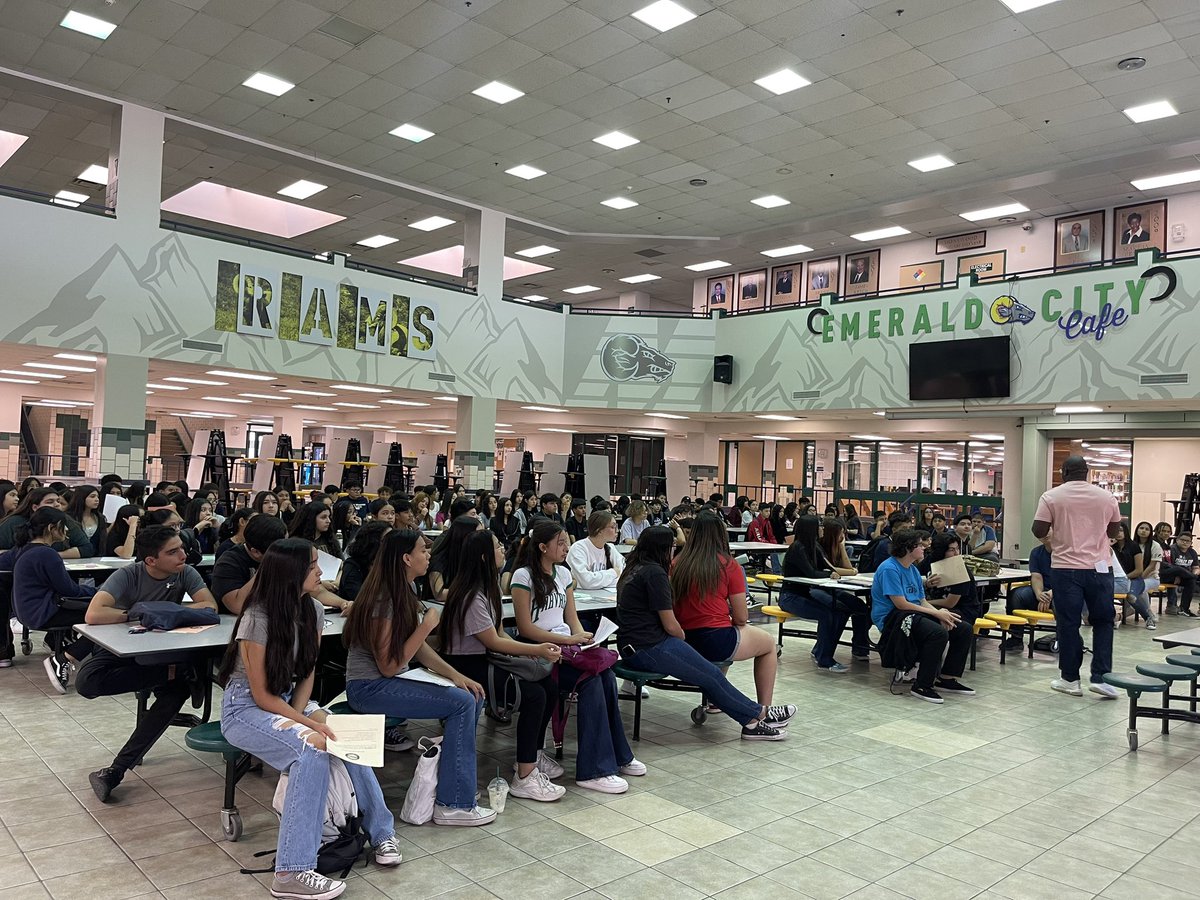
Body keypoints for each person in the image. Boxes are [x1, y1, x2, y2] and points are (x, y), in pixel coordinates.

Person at [216, 539, 401, 900]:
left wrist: (308, 715)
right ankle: (292, 871)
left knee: (344, 734)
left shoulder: (312, 610)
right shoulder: (257, 618)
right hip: (245, 709)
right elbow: (260, 696)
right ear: (290, 574)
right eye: (313, 565)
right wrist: (309, 725)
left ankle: (382, 834)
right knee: (311, 750)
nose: (320, 571)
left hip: (287, 700)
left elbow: (307, 674)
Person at [343, 529, 495, 826]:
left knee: (470, 695)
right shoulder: (384, 598)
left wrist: (455, 675)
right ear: (405, 557)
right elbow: (388, 665)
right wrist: (425, 626)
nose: (428, 555)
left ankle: (449, 787)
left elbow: (419, 650)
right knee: (461, 704)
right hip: (369, 687)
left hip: (391, 679)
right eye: (423, 550)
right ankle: (454, 803)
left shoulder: (405, 589)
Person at [77, 525, 217, 802]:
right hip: (126, 648)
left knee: (175, 694)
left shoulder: (185, 573)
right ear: (151, 560)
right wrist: (136, 614)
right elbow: (94, 613)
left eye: (182, 548)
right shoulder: (128, 575)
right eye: (173, 551)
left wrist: (164, 612)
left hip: (166, 650)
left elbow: (209, 606)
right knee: (86, 682)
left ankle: (116, 770)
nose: (183, 555)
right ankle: (175, 673)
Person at [617, 525, 793, 740]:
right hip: (650, 646)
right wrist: (681, 640)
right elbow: (671, 624)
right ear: (663, 548)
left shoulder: (634, 569)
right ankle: (757, 715)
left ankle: (754, 718)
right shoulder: (655, 573)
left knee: (709, 675)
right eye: (672, 546)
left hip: (634, 644)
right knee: (710, 675)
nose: (675, 550)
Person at [512, 520, 643, 794]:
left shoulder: (563, 574)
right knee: (591, 681)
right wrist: (567, 641)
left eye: (566, 541)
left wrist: (585, 639)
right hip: (540, 654)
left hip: (566, 649)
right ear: (542, 547)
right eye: (560, 543)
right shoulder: (523, 577)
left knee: (606, 675)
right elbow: (525, 628)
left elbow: (572, 619)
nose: (566, 547)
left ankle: (619, 756)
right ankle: (594, 770)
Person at [440, 530, 566, 802]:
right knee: (534, 696)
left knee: (549, 686)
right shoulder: (471, 594)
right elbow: (493, 641)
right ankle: (525, 775)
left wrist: (526, 656)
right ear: (485, 556)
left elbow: (499, 633)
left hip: (485, 658)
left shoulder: (488, 587)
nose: (503, 551)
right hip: (468, 665)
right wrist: (535, 649)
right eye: (498, 546)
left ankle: (533, 756)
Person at [1032, 455, 1122, 699]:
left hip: (1065, 568)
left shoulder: (1051, 496)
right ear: (1088, 472)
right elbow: (1114, 530)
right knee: (1104, 621)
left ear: (1063, 473)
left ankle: (1070, 679)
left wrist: (1056, 534)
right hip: (1100, 568)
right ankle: (1102, 678)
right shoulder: (1107, 497)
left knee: (1069, 623)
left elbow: (1038, 529)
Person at [671, 513, 782, 706]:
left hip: (681, 640)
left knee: (729, 634)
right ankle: (765, 709)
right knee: (768, 645)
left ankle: (716, 699)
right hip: (715, 640)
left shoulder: (676, 563)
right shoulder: (729, 566)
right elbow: (741, 617)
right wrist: (727, 610)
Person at [870, 528, 974, 704]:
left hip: (912, 611)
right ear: (908, 548)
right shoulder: (889, 568)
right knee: (937, 632)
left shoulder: (911, 569)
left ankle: (946, 678)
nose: (925, 547)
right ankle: (922, 685)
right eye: (920, 545)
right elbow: (901, 604)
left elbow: (921, 600)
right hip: (893, 617)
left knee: (962, 627)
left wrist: (941, 614)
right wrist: (935, 613)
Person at [2, 508, 97, 691]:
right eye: (65, 527)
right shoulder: (47, 554)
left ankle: (55, 642)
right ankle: (63, 659)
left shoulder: (23, 549)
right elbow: (69, 589)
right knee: (103, 620)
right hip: (45, 612)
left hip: (27, 612)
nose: (68, 531)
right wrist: (98, 592)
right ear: (52, 528)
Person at [779, 516, 862, 672]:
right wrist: (829, 575)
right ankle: (824, 660)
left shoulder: (814, 546)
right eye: (819, 526)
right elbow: (811, 573)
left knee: (841, 612)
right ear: (810, 529)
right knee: (827, 614)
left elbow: (828, 567)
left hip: (805, 594)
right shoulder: (798, 548)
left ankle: (822, 652)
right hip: (790, 597)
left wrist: (832, 572)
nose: (822, 529)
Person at [210, 514, 290, 614]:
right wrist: (268, 566)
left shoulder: (289, 556)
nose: (287, 550)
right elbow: (237, 606)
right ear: (255, 552)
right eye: (280, 549)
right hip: (236, 623)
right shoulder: (228, 563)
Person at [1006, 529, 1053, 651]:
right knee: (1016, 595)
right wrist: (1039, 594)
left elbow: (1067, 578)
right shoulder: (1036, 553)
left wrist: (1053, 593)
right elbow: (1036, 576)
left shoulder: (1066, 552)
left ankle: (1065, 638)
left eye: (1049, 529)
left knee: (1064, 602)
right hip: (1043, 590)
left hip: (1062, 591)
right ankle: (1016, 637)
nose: (1045, 533)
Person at [427, 515, 481, 601]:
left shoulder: (474, 556)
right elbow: (439, 594)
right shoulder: (439, 560)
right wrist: (474, 591)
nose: (482, 539)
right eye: (478, 535)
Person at [338, 521, 391, 603]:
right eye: (386, 540)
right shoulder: (352, 565)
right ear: (373, 542)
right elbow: (358, 597)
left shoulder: (391, 563)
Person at [1122, 521, 1161, 630]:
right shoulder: (1131, 544)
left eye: (1146, 529)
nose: (1143, 531)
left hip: (1151, 578)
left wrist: (1139, 578)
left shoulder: (1155, 545)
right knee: (1127, 588)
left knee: (1140, 587)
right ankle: (1132, 609)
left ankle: (1147, 612)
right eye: (1141, 528)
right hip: (1132, 577)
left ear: (1150, 532)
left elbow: (1152, 566)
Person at [1162, 532, 1200, 617]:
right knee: (1179, 569)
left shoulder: (1192, 552)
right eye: (1182, 540)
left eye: (1188, 541)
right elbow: (1169, 566)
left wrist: (1195, 574)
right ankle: (1172, 605)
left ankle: (1184, 609)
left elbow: (1196, 567)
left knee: (1191, 581)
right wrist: (1178, 575)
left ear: (1191, 543)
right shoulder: (1172, 549)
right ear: (1177, 540)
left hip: (1184, 577)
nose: (1185, 542)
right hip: (1170, 576)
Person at [66, 484, 107, 558]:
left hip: (96, 558)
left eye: (98, 496)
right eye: (92, 496)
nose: (97, 499)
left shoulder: (100, 517)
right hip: (74, 557)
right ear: (82, 497)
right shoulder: (69, 518)